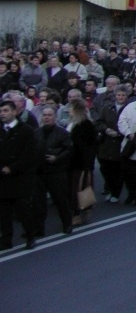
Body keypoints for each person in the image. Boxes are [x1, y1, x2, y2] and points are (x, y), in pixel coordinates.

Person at [0, 98, 37, 250]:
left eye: (6, 110)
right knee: (4, 213)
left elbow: (28, 155)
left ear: (15, 112)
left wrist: (13, 168)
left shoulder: (26, 131)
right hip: (2, 178)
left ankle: (30, 237)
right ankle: (6, 239)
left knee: (23, 211)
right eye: (1, 111)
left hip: (20, 178)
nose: (2, 114)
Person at [33, 106, 74, 236]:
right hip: (40, 172)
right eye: (44, 115)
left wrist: (57, 158)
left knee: (61, 199)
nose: (47, 117)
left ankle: (67, 224)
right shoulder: (37, 133)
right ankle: (39, 228)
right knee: (39, 203)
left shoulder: (62, 133)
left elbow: (69, 150)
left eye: (49, 115)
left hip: (57, 171)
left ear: (55, 117)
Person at [66, 98, 98, 226]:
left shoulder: (86, 126)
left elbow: (88, 147)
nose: (69, 111)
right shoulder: (73, 124)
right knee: (72, 189)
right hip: (72, 162)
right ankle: (77, 212)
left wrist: (87, 164)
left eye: (71, 109)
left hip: (81, 164)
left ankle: (78, 213)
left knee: (79, 189)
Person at [94, 86, 128, 204]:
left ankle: (116, 192)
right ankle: (110, 189)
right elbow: (99, 122)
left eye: (123, 95)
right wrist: (106, 129)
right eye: (119, 95)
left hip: (120, 143)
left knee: (117, 170)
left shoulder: (129, 109)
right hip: (106, 142)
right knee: (105, 168)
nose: (121, 97)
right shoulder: (107, 107)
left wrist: (118, 133)